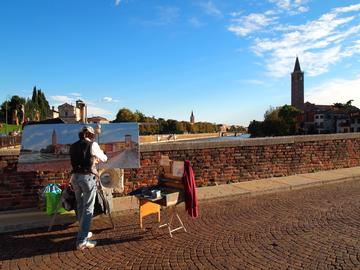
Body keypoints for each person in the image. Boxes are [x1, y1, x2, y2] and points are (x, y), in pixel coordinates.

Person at [70, 125, 107, 250]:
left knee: (80, 205)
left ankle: (83, 231)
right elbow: (104, 158)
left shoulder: (73, 145)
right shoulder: (93, 145)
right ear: (90, 135)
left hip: (75, 178)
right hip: (87, 178)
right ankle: (82, 240)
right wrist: (97, 157)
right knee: (88, 209)